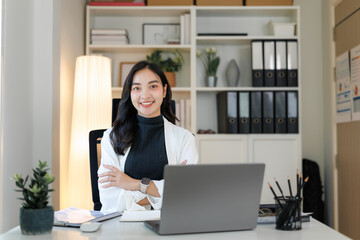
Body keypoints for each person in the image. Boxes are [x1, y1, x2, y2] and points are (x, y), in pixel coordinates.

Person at [97, 60, 198, 213]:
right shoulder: (111, 137)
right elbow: (110, 196)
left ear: (164, 91)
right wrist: (163, 191)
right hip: (124, 228)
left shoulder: (184, 139)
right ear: (130, 93)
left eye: (153, 86)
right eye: (137, 88)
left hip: (170, 225)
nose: (145, 95)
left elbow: (188, 193)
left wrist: (135, 184)